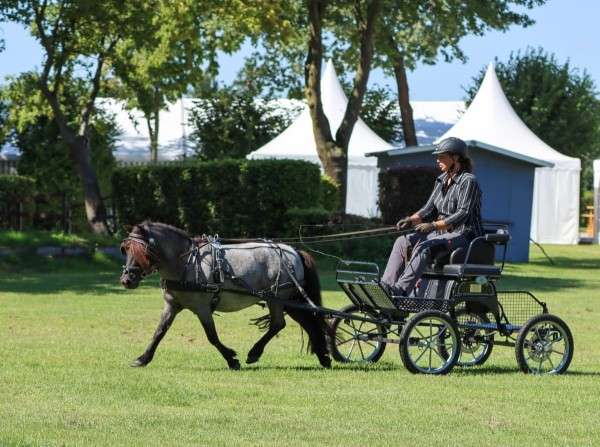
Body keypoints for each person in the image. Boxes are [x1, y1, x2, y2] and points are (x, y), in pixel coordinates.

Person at [381, 137, 484, 297]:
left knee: (425, 247)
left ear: (455, 157)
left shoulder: (469, 181)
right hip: (441, 234)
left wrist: (434, 225)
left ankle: (400, 290)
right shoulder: (441, 180)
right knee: (402, 241)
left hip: (464, 235)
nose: (438, 160)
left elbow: (463, 213)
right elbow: (429, 208)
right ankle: (386, 287)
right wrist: (411, 219)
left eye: (442, 156)